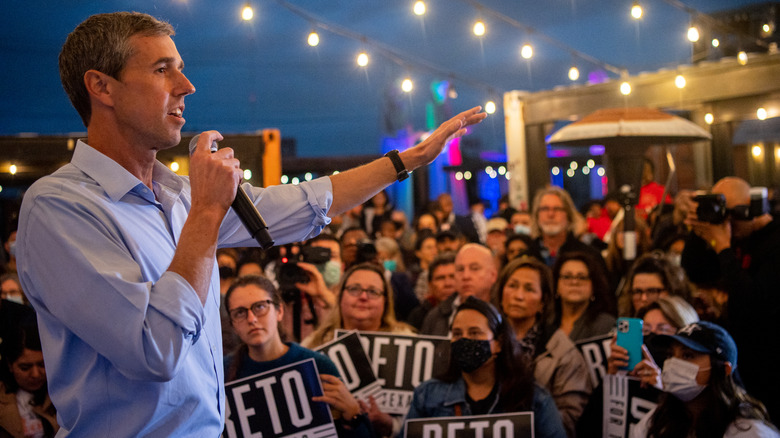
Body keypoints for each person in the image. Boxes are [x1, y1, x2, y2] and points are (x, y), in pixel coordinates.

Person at [16, 11, 486, 436]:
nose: (186, 86)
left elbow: (304, 204)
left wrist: (408, 160)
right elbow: (153, 350)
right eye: (162, 70)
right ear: (102, 87)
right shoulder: (60, 206)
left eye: (179, 68)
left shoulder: (177, 194)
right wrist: (205, 213)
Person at [222, 275, 372, 436]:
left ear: (279, 311)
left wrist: (353, 415)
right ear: (232, 324)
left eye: (260, 307)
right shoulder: (222, 372)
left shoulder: (317, 365)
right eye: (239, 313)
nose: (251, 319)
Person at [682, 177, 780, 421]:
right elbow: (695, 271)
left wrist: (723, 247)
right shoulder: (732, 237)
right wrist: (700, 229)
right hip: (741, 365)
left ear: (751, 207)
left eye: (730, 212)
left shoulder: (775, 242)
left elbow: (754, 303)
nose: (726, 221)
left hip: (772, 367)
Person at [403, 296, 567, 438]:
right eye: (457, 334)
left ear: (498, 343)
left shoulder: (534, 400)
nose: (464, 340)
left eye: (475, 333)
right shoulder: (427, 396)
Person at [302, 262, 414, 436]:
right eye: (354, 289)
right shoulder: (312, 346)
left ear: (386, 300)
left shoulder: (410, 344)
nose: (363, 297)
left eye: (373, 292)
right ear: (340, 296)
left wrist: (391, 424)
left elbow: (423, 412)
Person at [493, 256, 592, 437]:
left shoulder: (562, 351)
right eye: (512, 286)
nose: (518, 296)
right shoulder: (486, 339)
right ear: (501, 293)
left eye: (529, 289)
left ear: (543, 302)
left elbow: (570, 419)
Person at [631, 321, 779, 438]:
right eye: (670, 355)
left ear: (724, 369)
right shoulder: (657, 421)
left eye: (688, 355)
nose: (673, 364)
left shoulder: (749, 432)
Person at [420, 243, 498, 336]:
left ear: (493, 275)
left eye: (474, 268)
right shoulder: (435, 316)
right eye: (460, 269)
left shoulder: (505, 313)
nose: (465, 276)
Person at [0, 324, 58, 438]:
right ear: (10, 365)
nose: (36, 374)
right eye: (25, 368)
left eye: (42, 365)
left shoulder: (63, 393)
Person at [529, 186, 602, 268]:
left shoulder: (589, 256)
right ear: (536, 215)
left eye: (557, 209)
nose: (551, 214)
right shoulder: (526, 257)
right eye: (545, 209)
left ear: (568, 215)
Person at [551, 251, 616, 342]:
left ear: (594, 286)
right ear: (556, 285)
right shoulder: (545, 322)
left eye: (582, 277)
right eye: (567, 277)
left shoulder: (605, 324)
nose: (574, 282)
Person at [617, 251, 691, 317]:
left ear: (672, 292)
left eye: (652, 291)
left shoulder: (689, 330)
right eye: (638, 291)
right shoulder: (623, 328)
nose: (644, 298)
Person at [406, 253, 457, 330]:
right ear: (430, 285)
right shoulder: (417, 316)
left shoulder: (472, 312)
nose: (447, 284)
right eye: (440, 278)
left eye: (453, 277)